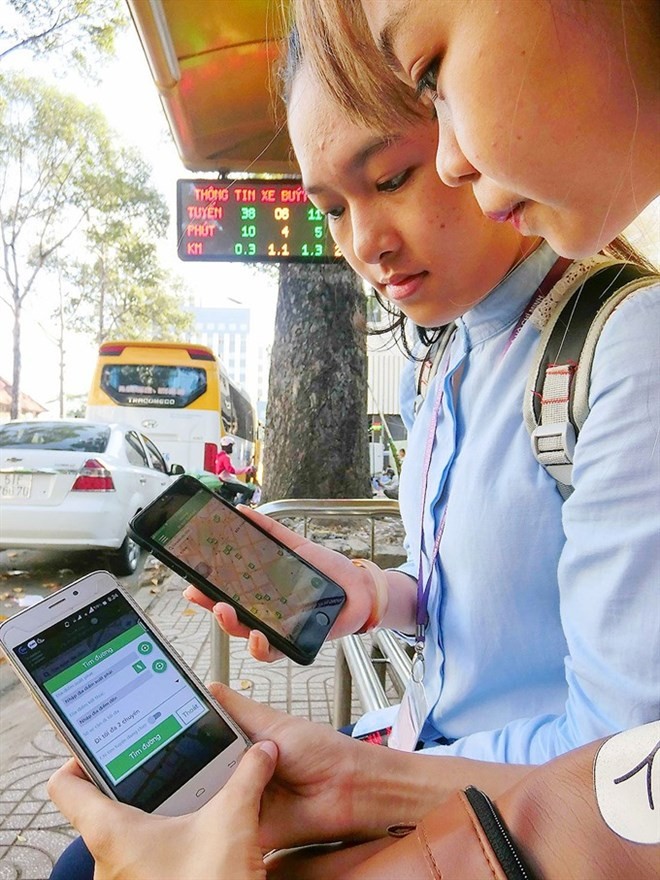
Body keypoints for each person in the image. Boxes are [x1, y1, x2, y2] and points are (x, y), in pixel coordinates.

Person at [49, 0, 659, 874]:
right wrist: (372, 595)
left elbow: (624, 766)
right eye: (332, 208)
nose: (366, 242)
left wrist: (362, 778)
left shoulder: (624, 349)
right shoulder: (437, 364)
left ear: (457, 121)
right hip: (413, 755)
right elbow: (485, 600)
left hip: (508, 830)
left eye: (393, 177)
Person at [214, 434, 258, 505]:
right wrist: (246, 469)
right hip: (228, 481)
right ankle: (240, 505)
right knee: (247, 491)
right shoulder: (225, 457)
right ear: (227, 446)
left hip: (224, 481)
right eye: (230, 446)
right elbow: (231, 470)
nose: (231, 449)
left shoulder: (219, 456)